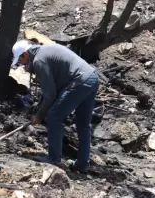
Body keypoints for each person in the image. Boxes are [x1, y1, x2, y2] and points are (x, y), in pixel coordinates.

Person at [11, 40, 99, 173]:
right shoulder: (44, 51)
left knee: (54, 116)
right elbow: (54, 89)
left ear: (25, 54)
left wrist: (39, 116)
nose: (21, 64)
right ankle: (82, 165)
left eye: (20, 60)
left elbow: (50, 94)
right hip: (92, 77)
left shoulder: (39, 61)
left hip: (80, 80)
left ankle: (54, 158)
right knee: (83, 124)